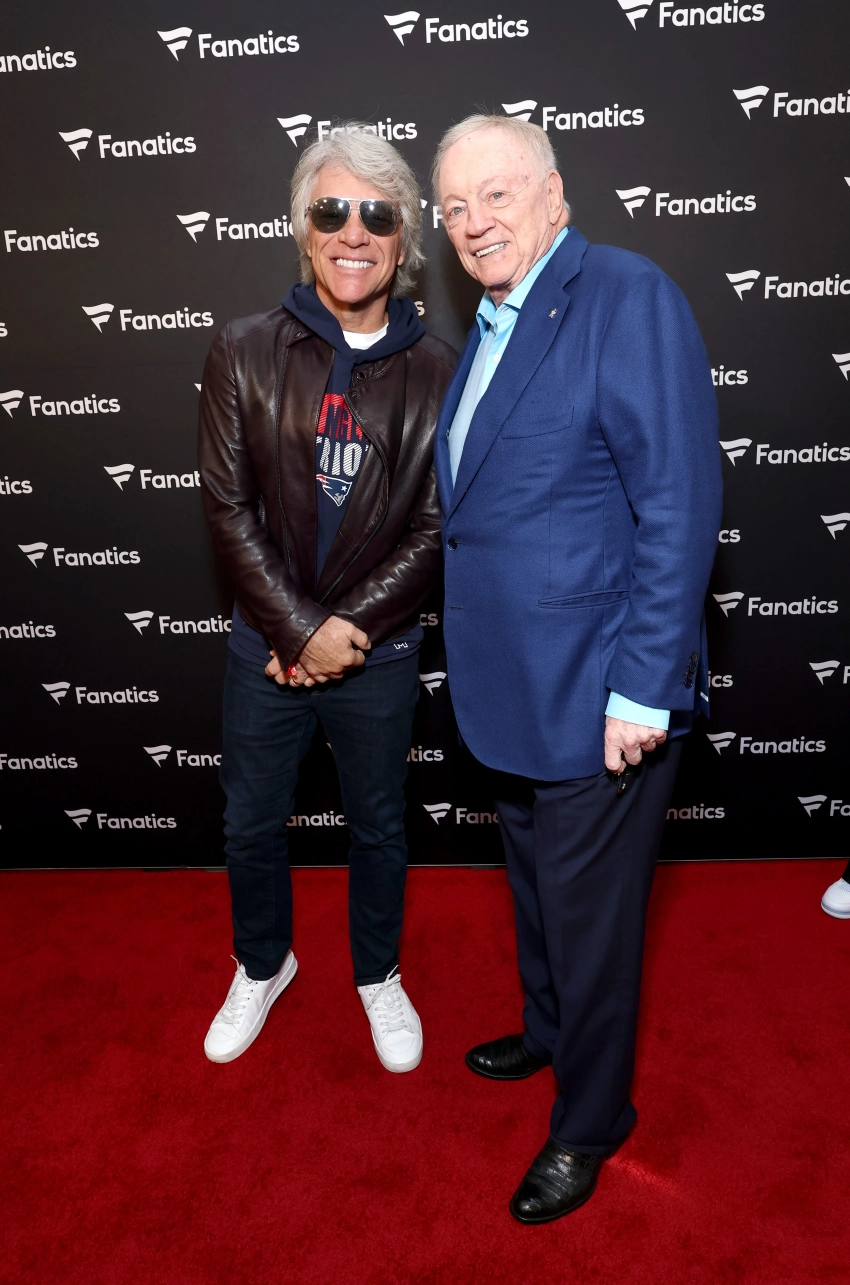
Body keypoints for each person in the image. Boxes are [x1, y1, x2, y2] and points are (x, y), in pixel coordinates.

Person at [431, 114, 722, 1222]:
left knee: (593, 923)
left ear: (554, 193)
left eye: (496, 194)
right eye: (454, 207)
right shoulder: (493, 323)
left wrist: (642, 687)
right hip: (510, 686)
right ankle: (549, 1032)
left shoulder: (626, 295)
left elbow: (678, 504)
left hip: (601, 692)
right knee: (537, 893)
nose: (474, 222)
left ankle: (591, 1122)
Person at [198, 125, 455, 1073]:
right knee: (250, 822)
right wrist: (299, 630)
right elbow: (228, 509)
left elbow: (437, 526)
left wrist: (345, 631)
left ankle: (378, 973)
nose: (355, 232)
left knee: (379, 822)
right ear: (303, 228)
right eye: (332, 210)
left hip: (377, 651)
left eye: (378, 215)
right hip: (266, 644)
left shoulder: (443, 370)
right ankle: (262, 962)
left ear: (405, 238)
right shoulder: (243, 350)